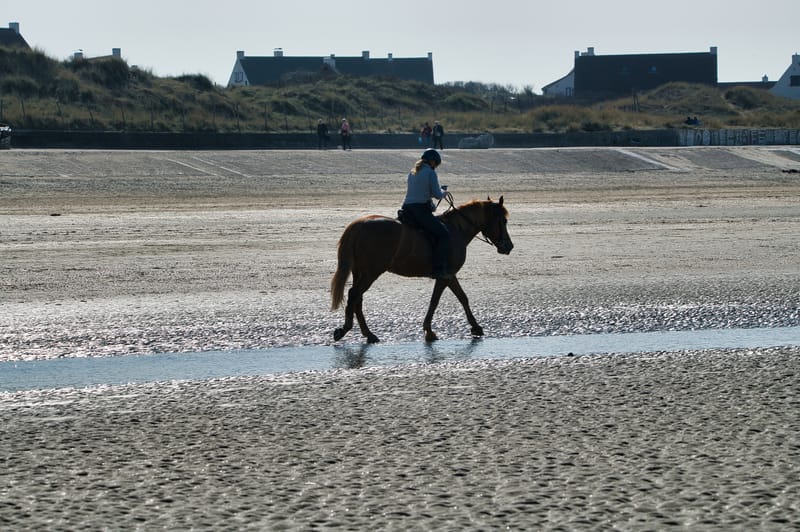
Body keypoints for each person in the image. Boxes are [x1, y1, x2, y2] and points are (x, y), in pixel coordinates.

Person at [401, 148, 451, 279]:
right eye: (436, 164)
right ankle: (439, 269)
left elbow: (420, 192)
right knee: (444, 234)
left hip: (406, 208)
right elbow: (437, 194)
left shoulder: (413, 172)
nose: (436, 166)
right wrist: (444, 192)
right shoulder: (430, 172)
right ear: (432, 161)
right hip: (420, 210)